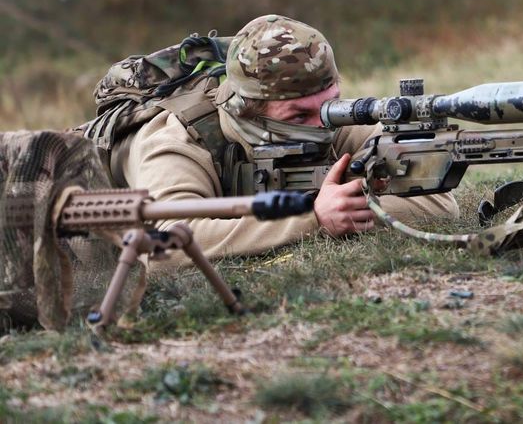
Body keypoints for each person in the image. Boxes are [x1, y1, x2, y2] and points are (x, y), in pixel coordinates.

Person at [116, 14, 459, 264]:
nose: (322, 124)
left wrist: (350, 206)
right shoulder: (179, 142)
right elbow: (163, 248)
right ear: (248, 110)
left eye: (330, 105)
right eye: (299, 116)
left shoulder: (332, 120)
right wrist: (313, 218)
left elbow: (438, 203)